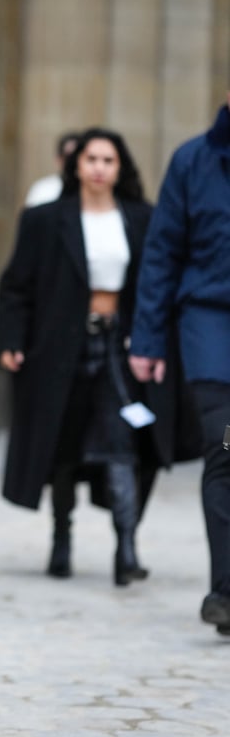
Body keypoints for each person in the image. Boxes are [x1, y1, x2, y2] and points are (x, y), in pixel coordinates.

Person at [0, 127, 172, 585]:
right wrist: (11, 341)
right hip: (60, 348)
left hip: (121, 347)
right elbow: (17, 285)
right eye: (91, 158)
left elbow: (157, 285)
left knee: (122, 446)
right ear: (76, 165)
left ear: (120, 168)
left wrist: (156, 339)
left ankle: (127, 549)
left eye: (108, 160)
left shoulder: (141, 218)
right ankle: (61, 539)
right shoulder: (45, 219)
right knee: (65, 448)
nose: (98, 167)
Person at [129, 95, 230, 636]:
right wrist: (147, 340)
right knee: (227, 445)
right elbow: (162, 252)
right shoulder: (193, 161)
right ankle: (226, 591)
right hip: (212, 327)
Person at [24, 131, 80, 207]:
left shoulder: (93, 191)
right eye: (69, 157)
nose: (73, 162)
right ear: (59, 159)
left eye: (76, 157)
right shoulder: (42, 189)